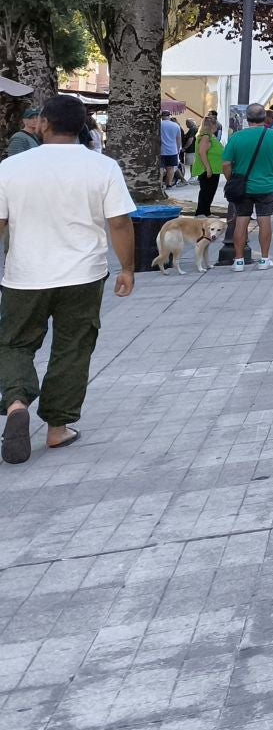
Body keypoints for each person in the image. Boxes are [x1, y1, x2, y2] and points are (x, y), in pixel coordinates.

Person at [0, 94, 136, 463]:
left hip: (24, 276)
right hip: (83, 274)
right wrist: (127, 267)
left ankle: (15, 403)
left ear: (43, 123)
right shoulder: (102, 167)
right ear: (82, 127)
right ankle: (58, 429)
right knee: (73, 346)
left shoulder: (11, 168)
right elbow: (120, 221)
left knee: (13, 343)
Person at [221, 103, 273, 271]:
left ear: (247, 118)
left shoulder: (236, 137)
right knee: (264, 220)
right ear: (265, 118)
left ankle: (238, 261)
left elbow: (226, 164)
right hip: (266, 185)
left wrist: (232, 179)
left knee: (241, 222)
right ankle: (264, 259)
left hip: (243, 187)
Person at [190, 112, 224, 216]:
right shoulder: (205, 136)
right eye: (216, 126)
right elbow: (202, 152)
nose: (217, 128)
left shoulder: (210, 136)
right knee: (206, 191)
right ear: (212, 126)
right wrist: (208, 168)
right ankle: (201, 212)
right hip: (208, 169)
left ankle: (206, 212)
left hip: (214, 169)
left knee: (210, 191)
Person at [158, 112, 183, 188]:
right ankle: (168, 184)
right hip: (172, 150)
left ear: (162, 117)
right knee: (171, 168)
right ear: (169, 116)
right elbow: (178, 139)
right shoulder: (175, 125)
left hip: (161, 150)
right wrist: (178, 149)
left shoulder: (159, 125)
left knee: (161, 168)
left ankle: (160, 185)